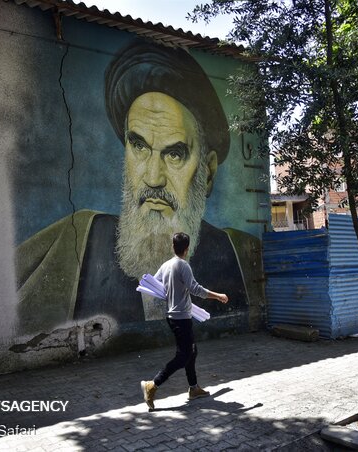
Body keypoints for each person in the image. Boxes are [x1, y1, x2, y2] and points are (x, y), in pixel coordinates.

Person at [14, 41, 261, 338]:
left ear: (207, 173)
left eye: (174, 154)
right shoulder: (74, 243)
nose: (153, 178)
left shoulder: (240, 255)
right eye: (139, 146)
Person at [141, 232, 228, 410]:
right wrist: (218, 296)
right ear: (187, 249)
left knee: (192, 351)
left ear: (173, 247)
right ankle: (152, 384)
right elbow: (195, 289)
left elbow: (156, 284)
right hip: (181, 317)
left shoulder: (166, 266)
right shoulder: (183, 265)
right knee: (183, 356)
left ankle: (194, 388)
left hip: (174, 316)